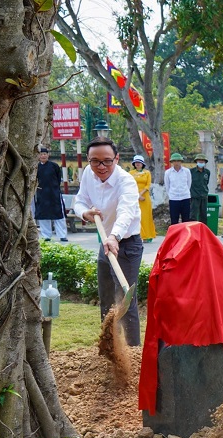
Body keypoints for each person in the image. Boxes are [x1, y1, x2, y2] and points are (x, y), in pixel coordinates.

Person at [72, 138, 143, 345]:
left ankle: (132, 354)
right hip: (106, 243)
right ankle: (110, 349)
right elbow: (80, 200)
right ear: (89, 161)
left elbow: (126, 212)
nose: (101, 167)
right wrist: (85, 213)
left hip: (126, 244)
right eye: (95, 161)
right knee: (107, 300)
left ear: (117, 159)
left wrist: (115, 236)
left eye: (107, 161)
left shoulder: (126, 181)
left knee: (126, 302)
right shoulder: (88, 174)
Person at [35, 147, 68, 242]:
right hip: (41, 194)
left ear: (48, 155)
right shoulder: (36, 167)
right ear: (38, 156)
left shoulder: (54, 166)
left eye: (45, 154)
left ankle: (62, 235)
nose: (43, 156)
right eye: (41, 154)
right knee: (43, 216)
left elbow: (58, 179)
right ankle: (46, 236)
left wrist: (54, 188)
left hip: (54, 194)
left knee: (59, 215)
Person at [130, 155, 156, 243]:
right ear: (134, 164)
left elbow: (148, 185)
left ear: (142, 164)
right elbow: (129, 185)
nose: (138, 164)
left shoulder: (147, 173)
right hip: (133, 196)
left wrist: (140, 194)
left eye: (139, 162)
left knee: (146, 216)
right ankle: (138, 236)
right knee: (136, 216)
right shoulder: (130, 173)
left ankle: (148, 236)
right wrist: (137, 195)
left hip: (144, 197)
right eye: (136, 162)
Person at [164, 153, 192, 225]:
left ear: (181, 161)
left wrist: (184, 192)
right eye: (175, 161)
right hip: (174, 198)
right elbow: (167, 186)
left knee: (186, 220)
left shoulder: (186, 171)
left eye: (178, 161)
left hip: (185, 197)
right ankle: (175, 236)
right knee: (174, 220)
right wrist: (171, 195)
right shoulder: (168, 173)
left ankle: (185, 236)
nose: (176, 163)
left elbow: (189, 183)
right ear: (172, 162)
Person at [190, 154, 211, 222]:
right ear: (196, 161)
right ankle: (193, 231)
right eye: (199, 160)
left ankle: (203, 231)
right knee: (193, 215)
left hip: (204, 196)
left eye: (202, 161)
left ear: (205, 162)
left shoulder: (207, 172)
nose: (201, 162)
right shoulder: (191, 171)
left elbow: (206, 183)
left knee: (204, 215)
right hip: (194, 196)